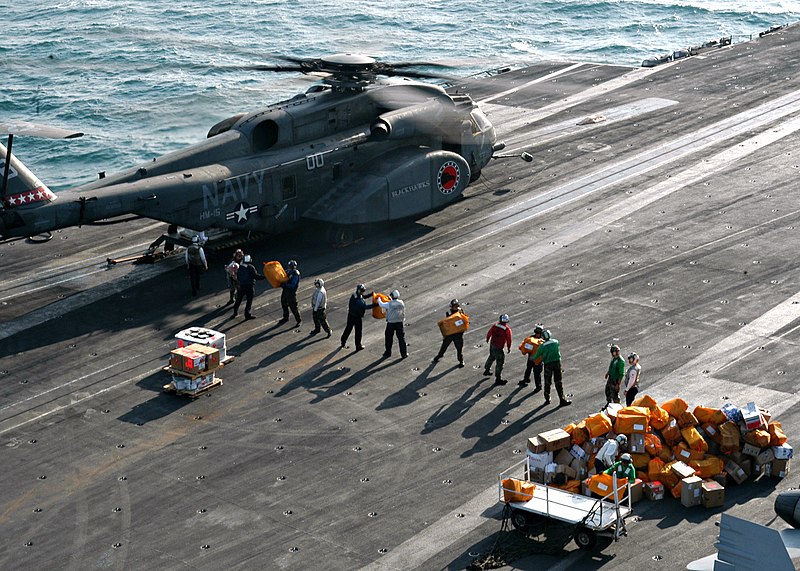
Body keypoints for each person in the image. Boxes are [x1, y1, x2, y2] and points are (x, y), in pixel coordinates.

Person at [530, 329, 571, 407]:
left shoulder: (542, 346)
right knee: (558, 381)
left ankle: (547, 399)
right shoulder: (556, 342)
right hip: (557, 363)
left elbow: (536, 356)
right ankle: (562, 399)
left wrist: (532, 357)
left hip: (548, 364)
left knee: (547, 382)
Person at [340, 284, 376, 351]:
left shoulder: (355, 295)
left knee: (348, 328)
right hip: (357, 317)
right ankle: (358, 346)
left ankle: (343, 341)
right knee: (358, 332)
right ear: (359, 290)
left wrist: (370, 295)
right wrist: (375, 305)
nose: (363, 292)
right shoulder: (358, 300)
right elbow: (365, 307)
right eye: (362, 291)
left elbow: (363, 297)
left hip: (351, 315)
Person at [432, 299, 466, 367]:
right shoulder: (449, 313)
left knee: (459, 348)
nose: (456, 307)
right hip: (450, 333)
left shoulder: (460, 312)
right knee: (444, 345)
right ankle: (440, 355)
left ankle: (461, 360)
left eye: (457, 306)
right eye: (455, 306)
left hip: (458, 333)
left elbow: (463, 320)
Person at [232, 254, 265, 320]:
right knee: (249, 300)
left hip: (242, 286)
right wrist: (264, 277)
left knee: (239, 299)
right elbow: (255, 276)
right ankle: (247, 314)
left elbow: (238, 277)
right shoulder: (250, 267)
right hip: (249, 286)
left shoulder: (240, 267)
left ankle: (235, 312)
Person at [484, 314, 512, 385]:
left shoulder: (495, 325)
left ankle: (487, 369)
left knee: (491, 356)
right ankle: (498, 378)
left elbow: (489, 333)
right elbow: (509, 339)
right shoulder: (507, 329)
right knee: (500, 363)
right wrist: (508, 347)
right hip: (499, 348)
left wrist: (487, 339)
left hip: (492, 344)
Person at [378, 289, 407, 359]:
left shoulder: (389, 304)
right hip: (400, 322)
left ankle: (388, 353)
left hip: (391, 323)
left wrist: (378, 297)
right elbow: (395, 302)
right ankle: (404, 354)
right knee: (401, 339)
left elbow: (381, 304)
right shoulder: (401, 303)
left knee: (388, 338)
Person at [519, 325, 545, 391]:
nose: (537, 334)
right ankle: (526, 379)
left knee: (537, 373)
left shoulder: (543, 340)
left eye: (538, 333)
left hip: (538, 360)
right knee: (528, 369)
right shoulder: (531, 338)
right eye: (536, 332)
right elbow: (526, 346)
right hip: (531, 357)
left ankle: (538, 386)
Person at [278, 259, 301, 326]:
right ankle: (285, 317)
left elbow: (293, 284)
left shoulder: (295, 273)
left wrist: (285, 285)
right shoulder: (288, 271)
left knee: (293, 307)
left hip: (291, 293)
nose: (290, 267)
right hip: (285, 291)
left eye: (291, 266)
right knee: (284, 304)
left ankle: (298, 320)